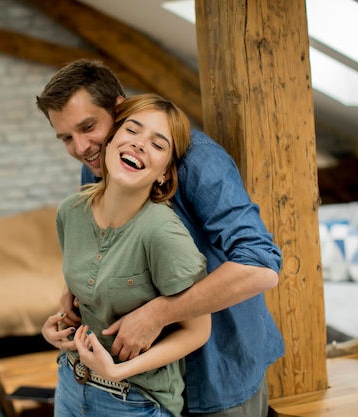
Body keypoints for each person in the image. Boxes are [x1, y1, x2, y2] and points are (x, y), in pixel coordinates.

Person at [36, 59, 284, 416]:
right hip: (141, 386)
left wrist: (158, 314)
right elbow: (104, 246)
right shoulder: (95, 167)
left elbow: (260, 266)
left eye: (88, 126)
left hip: (219, 366)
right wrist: (77, 291)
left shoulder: (199, 161)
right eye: (66, 138)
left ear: (119, 109)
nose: (80, 147)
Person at [41, 93, 211, 417]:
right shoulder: (70, 212)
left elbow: (198, 331)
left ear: (164, 173)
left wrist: (119, 371)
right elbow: (90, 296)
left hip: (135, 402)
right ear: (111, 140)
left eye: (158, 145)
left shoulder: (164, 234)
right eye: (132, 131)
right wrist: (60, 324)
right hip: (70, 381)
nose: (139, 145)